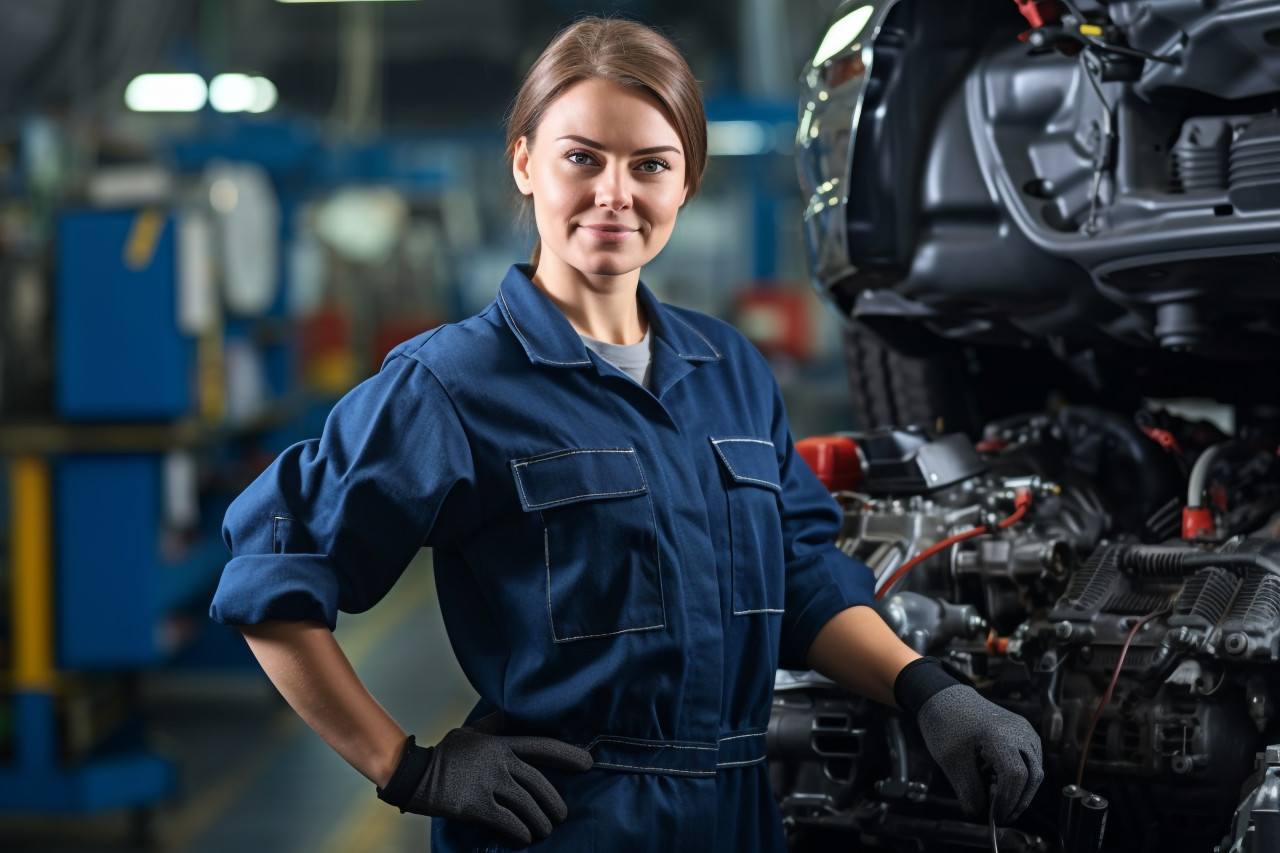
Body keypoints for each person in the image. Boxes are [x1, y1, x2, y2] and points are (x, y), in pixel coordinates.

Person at [209, 16, 1043, 852]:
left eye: (650, 164)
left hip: (741, 812)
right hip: (566, 823)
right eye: (583, 157)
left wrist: (927, 689)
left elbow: (803, 575)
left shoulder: (731, 370)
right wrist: (406, 767)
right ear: (525, 162)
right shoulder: (452, 382)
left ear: (686, 185)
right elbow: (273, 578)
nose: (617, 192)